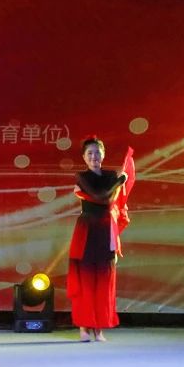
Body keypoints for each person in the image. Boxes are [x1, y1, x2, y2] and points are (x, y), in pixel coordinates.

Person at [70, 136, 130, 342]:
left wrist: (119, 181)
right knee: (86, 280)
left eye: (97, 152)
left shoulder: (111, 175)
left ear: (103, 155)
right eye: (90, 153)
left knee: (104, 281)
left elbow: (111, 202)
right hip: (87, 232)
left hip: (105, 231)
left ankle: (99, 328)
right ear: (84, 157)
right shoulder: (82, 177)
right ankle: (84, 327)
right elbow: (101, 197)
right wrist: (120, 182)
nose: (94, 156)